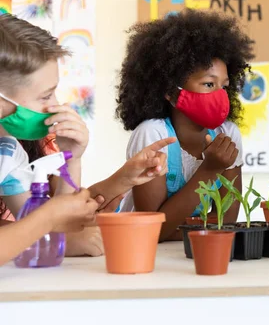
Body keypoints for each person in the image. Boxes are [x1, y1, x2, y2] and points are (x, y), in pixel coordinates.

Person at [0, 13, 174, 257]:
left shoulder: (7, 154)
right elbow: (42, 226)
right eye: (45, 96)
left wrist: (72, 156)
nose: (56, 104)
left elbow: (53, 225)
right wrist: (57, 235)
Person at [115, 9, 253, 241]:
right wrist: (209, 170)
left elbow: (226, 222)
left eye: (224, 86)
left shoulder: (227, 133)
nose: (220, 94)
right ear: (171, 92)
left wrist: (179, 227)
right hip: (142, 253)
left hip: (190, 254)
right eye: (209, 84)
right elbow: (154, 231)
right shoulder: (153, 134)